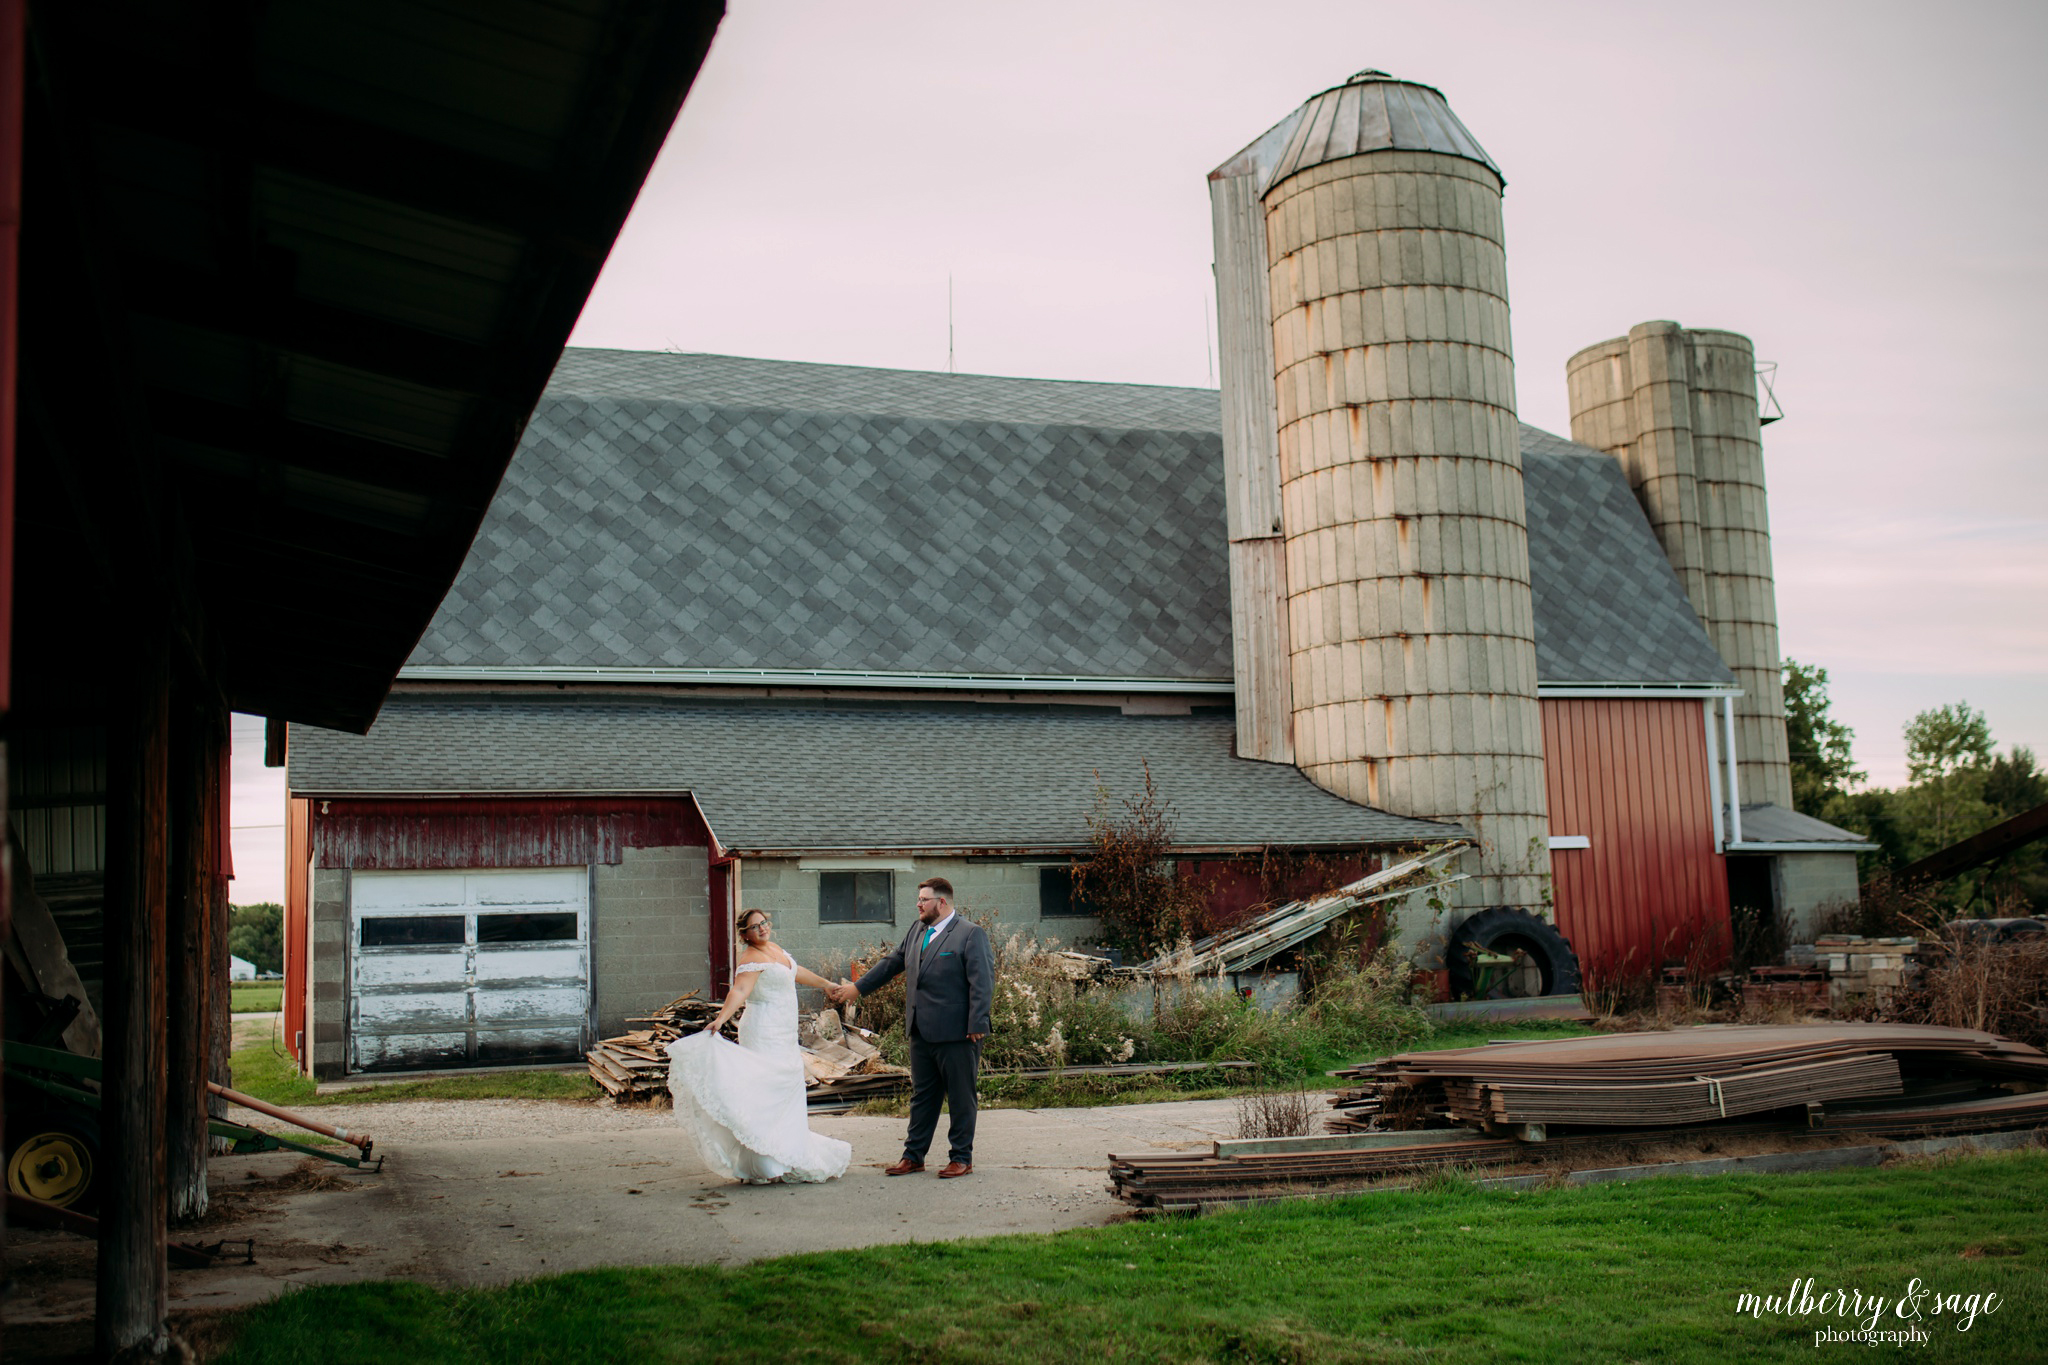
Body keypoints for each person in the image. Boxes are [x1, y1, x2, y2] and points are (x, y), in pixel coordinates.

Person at [666, 908, 852, 1184]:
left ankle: (788, 1153)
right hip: (763, 1030)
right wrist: (720, 1020)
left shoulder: (774, 948)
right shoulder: (751, 958)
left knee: (787, 1088)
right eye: (755, 927)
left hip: (784, 1032)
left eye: (764, 923)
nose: (763, 928)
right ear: (745, 935)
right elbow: (740, 991)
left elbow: (795, 971)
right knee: (766, 1091)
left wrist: (824, 983)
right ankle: (764, 1163)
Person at [828, 877, 992, 1178]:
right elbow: (893, 962)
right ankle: (913, 1156)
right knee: (922, 1097)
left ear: (941, 902)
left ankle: (961, 1158)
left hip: (958, 1033)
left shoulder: (970, 934)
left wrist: (977, 1022)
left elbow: (981, 981)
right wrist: (858, 988)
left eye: (923, 900)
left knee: (960, 1098)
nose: (918, 904)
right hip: (921, 1030)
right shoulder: (918, 930)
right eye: (918, 899)